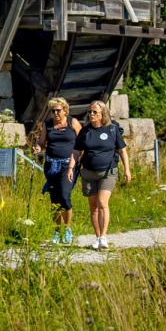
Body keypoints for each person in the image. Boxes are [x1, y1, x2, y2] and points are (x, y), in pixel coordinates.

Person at [70, 99, 131, 250]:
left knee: (102, 203)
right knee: (93, 207)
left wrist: (127, 170)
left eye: (94, 112)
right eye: (90, 112)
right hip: (88, 173)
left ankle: (103, 237)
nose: (91, 114)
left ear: (102, 113)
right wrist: (71, 168)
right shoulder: (85, 131)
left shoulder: (111, 130)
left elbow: (122, 150)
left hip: (108, 172)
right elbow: (76, 151)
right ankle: (97, 237)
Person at [31, 97, 82, 244]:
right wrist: (38, 148)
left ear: (65, 110)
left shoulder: (73, 123)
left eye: (58, 110)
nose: (55, 114)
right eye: (53, 111)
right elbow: (42, 142)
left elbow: (82, 142)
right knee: (54, 200)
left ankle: (67, 229)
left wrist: (80, 160)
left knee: (65, 196)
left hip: (68, 166)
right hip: (51, 165)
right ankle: (56, 230)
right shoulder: (48, 125)